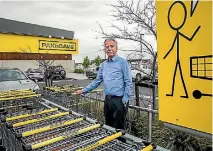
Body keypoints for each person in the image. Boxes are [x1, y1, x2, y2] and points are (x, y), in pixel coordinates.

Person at [75, 38, 133, 137]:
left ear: (116, 48)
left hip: (120, 100)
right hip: (108, 100)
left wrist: (125, 98)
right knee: (108, 126)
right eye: (107, 47)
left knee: (119, 129)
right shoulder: (104, 65)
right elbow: (97, 81)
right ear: (104, 49)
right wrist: (84, 90)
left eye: (112, 46)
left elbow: (128, 82)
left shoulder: (122, 62)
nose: (109, 48)